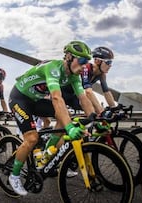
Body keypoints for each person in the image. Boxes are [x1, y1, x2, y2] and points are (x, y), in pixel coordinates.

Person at [8, 40, 97, 196]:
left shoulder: (74, 77)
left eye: (86, 62)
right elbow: (56, 98)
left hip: (35, 100)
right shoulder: (54, 68)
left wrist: (94, 119)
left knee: (64, 118)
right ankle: (14, 176)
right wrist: (69, 127)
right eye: (82, 60)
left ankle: (47, 155)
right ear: (69, 57)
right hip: (20, 98)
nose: (84, 65)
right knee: (32, 138)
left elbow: (83, 98)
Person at [61, 46, 116, 114]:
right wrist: (102, 112)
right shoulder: (86, 68)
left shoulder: (102, 74)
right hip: (62, 94)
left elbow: (106, 92)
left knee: (93, 110)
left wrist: (114, 109)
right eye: (108, 62)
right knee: (94, 109)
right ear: (97, 61)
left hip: (73, 96)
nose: (110, 65)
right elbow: (88, 92)